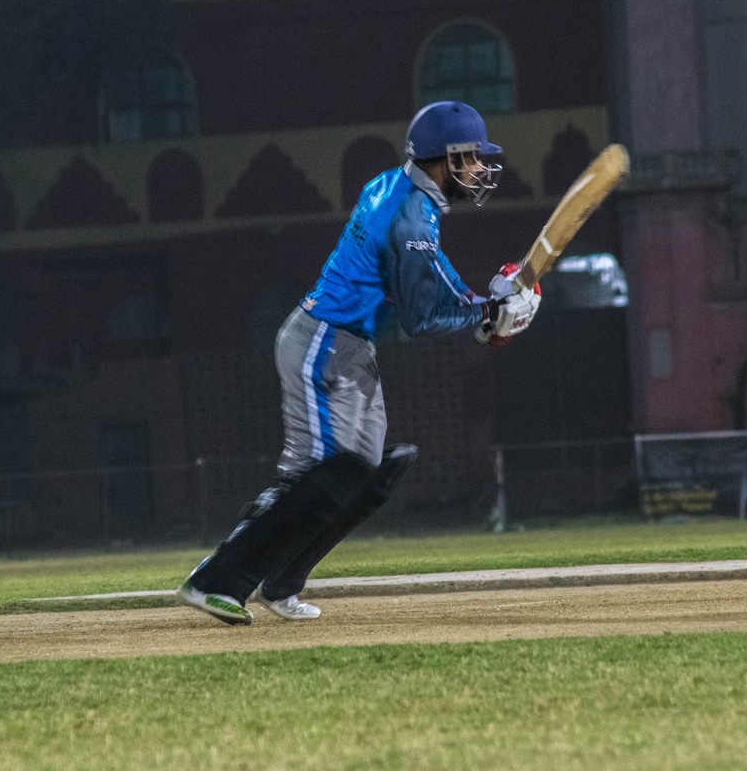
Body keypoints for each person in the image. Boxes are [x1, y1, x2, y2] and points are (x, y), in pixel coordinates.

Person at [177, 102, 541, 625]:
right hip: (323, 344)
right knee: (323, 476)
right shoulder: (411, 214)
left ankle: (282, 582)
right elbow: (421, 318)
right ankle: (214, 580)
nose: (481, 168)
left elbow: (431, 273)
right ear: (449, 157)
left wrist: (483, 302)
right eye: (474, 157)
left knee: (365, 475)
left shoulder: (402, 190)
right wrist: (487, 313)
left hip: (348, 347)